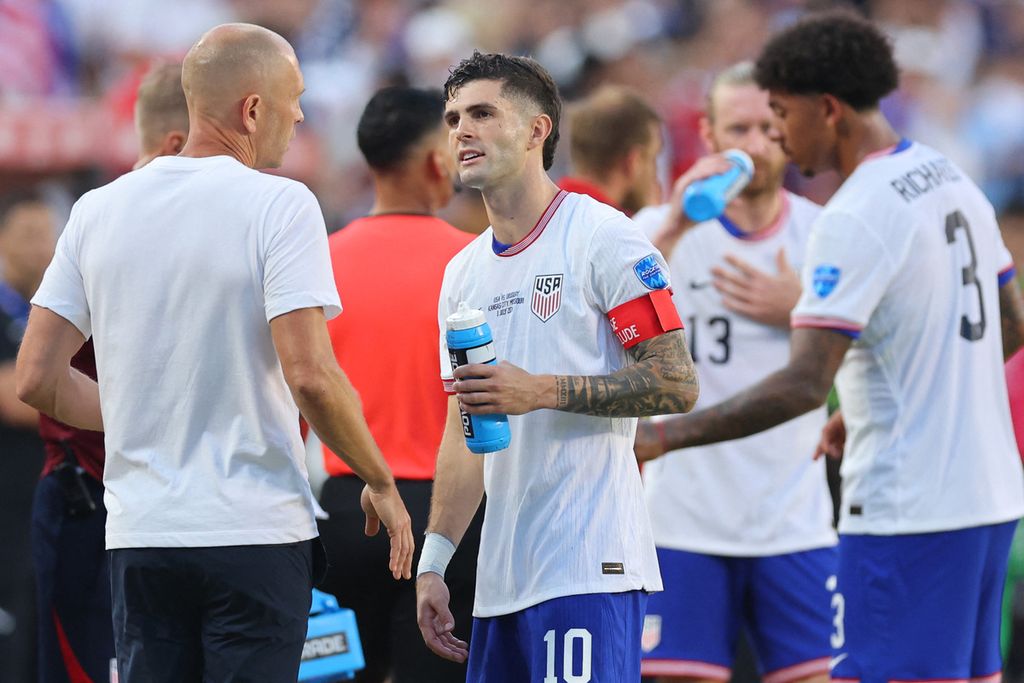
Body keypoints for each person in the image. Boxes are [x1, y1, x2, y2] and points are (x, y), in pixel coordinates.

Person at [16, 23, 414, 683]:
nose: (300, 114)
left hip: (142, 532)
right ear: (252, 109)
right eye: (294, 98)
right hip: (252, 529)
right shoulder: (281, 205)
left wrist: (142, 413)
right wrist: (379, 477)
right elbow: (312, 374)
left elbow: (36, 377)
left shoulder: (96, 209)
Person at [636, 12, 1024, 683]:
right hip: (989, 503)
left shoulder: (853, 213)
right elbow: (1009, 323)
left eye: (782, 114)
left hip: (908, 510)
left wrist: (664, 438)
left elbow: (803, 386)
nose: (778, 135)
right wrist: (893, 399)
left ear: (829, 109)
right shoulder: (949, 177)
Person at [415, 51, 699, 682]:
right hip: (499, 585)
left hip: (588, 567)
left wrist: (539, 389)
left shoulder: (604, 237)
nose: (462, 130)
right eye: (454, 116)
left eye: (483, 113)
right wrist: (434, 561)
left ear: (537, 130)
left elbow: (676, 382)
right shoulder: (461, 274)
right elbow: (467, 425)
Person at [632, 61, 836, 683]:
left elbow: (883, 351)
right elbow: (612, 328)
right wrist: (674, 224)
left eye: (768, 128)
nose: (754, 144)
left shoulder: (824, 235)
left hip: (794, 519)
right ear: (710, 134)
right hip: (681, 519)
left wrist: (802, 307)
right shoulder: (656, 233)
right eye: (738, 128)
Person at [29, 61, 188, 683]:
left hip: (146, 500)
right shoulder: (106, 222)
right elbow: (37, 376)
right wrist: (148, 420)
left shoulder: (101, 218)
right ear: (179, 142)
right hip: (98, 493)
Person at [317, 85, 480, 683]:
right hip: (452, 514)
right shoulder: (476, 262)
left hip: (347, 513)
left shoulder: (320, 262)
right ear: (438, 160)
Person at [0, 188, 55, 683]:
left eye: (48, 235)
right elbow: (13, 397)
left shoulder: (54, 312)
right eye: (29, 234)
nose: (42, 247)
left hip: (48, 492)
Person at [559, 85, 663, 215]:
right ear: (633, 162)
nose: (655, 177)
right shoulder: (622, 229)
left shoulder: (545, 208)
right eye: (651, 159)